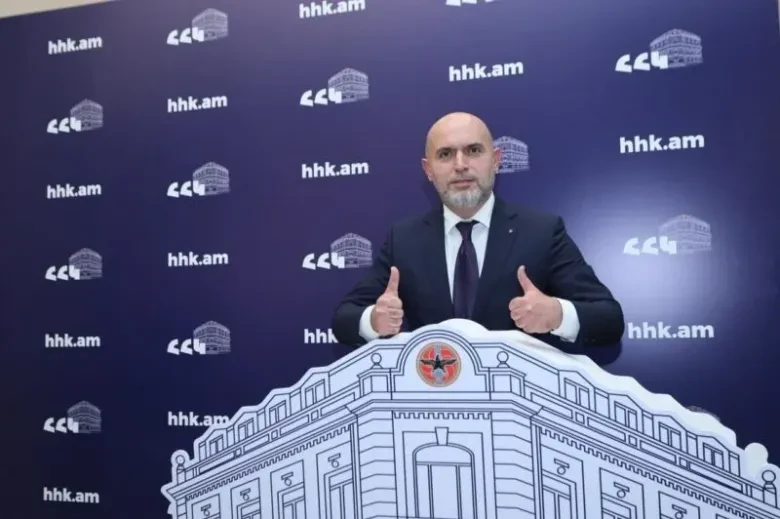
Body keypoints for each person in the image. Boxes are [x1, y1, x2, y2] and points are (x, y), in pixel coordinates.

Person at [331, 112, 624, 349]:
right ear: (428, 170)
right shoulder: (404, 239)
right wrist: (374, 320)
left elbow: (609, 320)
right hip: (434, 397)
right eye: (445, 154)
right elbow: (344, 319)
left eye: (473, 151)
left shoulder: (542, 232)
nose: (460, 165)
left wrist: (557, 315)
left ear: (495, 160)